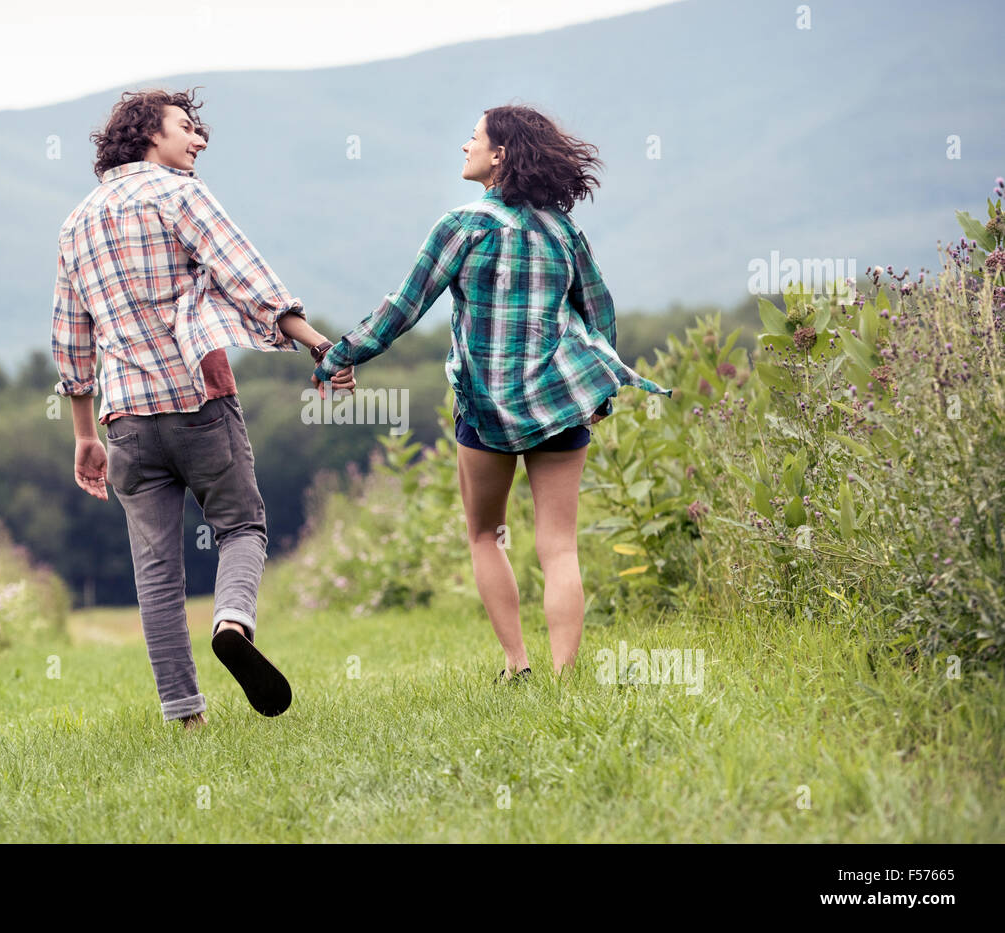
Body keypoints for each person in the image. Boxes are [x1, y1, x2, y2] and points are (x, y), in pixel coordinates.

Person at [312, 104, 673, 683]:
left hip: (486, 408)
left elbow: (402, 310)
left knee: (485, 533)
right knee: (560, 547)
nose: (465, 147)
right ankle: (564, 675)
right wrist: (600, 394)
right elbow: (600, 312)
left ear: (499, 155)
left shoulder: (463, 226)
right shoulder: (563, 229)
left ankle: (517, 664)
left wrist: (339, 356)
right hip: (560, 404)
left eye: (473, 138)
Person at [51, 87, 355, 729]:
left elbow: (71, 339)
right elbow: (248, 275)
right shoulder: (178, 194)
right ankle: (232, 622)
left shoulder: (75, 223)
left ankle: (184, 716)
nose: (200, 140)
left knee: (156, 568)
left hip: (126, 420)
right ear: (148, 136)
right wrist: (320, 344)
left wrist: (83, 437)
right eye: (186, 128)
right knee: (242, 526)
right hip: (199, 399)